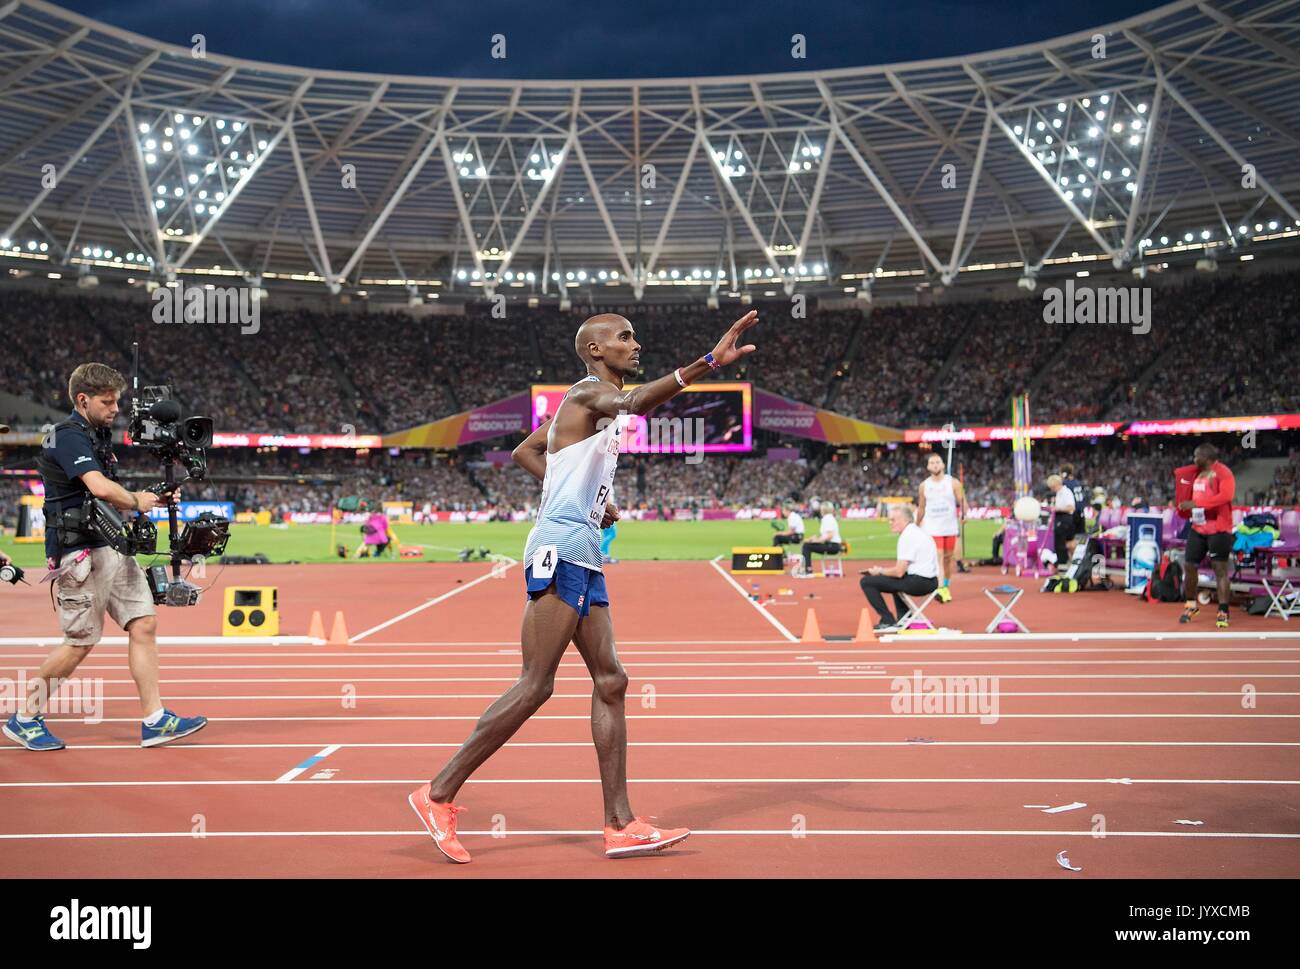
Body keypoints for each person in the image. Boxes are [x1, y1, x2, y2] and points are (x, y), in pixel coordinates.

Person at [409, 309, 760, 863]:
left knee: (612, 679)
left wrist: (588, 499)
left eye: (633, 335)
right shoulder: (592, 393)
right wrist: (710, 362)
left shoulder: (583, 407)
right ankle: (437, 793)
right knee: (535, 685)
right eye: (624, 337)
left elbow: (526, 451)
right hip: (560, 547)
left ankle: (619, 824)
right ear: (595, 350)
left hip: (582, 547)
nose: (635, 343)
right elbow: (638, 402)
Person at [4, 363, 207, 752]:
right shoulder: (66, 436)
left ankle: (154, 720)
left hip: (111, 546)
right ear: (83, 400)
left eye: (117, 400)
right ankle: (25, 718)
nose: (116, 408)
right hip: (78, 554)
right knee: (80, 641)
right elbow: (97, 486)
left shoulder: (96, 435)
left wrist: (149, 498)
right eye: (107, 401)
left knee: (144, 623)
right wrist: (135, 499)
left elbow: (100, 499)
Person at [1175, 443, 1236, 628]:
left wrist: (1197, 503)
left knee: (1220, 571)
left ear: (1206, 457)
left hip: (1218, 529)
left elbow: (1226, 496)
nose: (1194, 460)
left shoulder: (1223, 472)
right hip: (1198, 528)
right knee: (1189, 566)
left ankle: (1223, 611)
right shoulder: (1196, 473)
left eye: (1196, 456)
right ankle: (1191, 604)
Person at [859, 504, 940, 632]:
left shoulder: (907, 536)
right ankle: (904, 617)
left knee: (867, 582)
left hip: (920, 582)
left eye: (893, 520)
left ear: (905, 520)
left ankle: (887, 620)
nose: (890, 523)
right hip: (930, 580)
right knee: (894, 581)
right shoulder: (916, 532)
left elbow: (898, 572)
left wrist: (879, 571)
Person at [916, 452, 965, 602]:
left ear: (943, 465)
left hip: (949, 527)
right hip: (933, 527)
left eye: (938, 462)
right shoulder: (924, 486)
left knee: (947, 559)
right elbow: (921, 507)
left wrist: (964, 514)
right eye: (932, 462)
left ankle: (945, 585)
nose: (935, 465)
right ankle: (940, 589)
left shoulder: (953, 483)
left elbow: (963, 501)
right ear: (928, 466)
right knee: (938, 557)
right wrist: (917, 524)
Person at [799, 501, 843, 574]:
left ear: (822, 510)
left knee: (806, 546)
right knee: (807, 545)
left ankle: (807, 570)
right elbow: (826, 535)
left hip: (832, 546)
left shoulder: (827, 519)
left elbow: (830, 535)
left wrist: (816, 541)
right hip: (833, 545)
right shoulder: (830, 518)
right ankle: (807, 569)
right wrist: (814, 539)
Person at [1045, 474, 1077, 566]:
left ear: (1057, 484)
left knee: (1064, 543)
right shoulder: (1059, 493)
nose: (1052, 489)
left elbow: (1071, 507)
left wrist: (1057, 509)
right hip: (1061, 519)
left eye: (1053, 487)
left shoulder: (1066, 492)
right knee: (1064, 543)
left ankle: (1065, 562)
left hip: (1065, 520)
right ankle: (1067, 562)